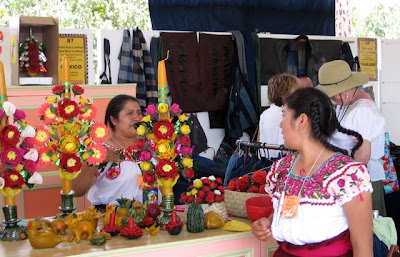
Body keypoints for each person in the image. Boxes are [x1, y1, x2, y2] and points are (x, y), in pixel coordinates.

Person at [252, 87, 373, 257]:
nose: (280, 124)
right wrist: (269, 222)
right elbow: (293, 212)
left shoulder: (348, 175)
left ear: (301, 121)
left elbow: (364, 250)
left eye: (284, 116)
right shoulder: (282, 169)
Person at [316, 60, 387, 217]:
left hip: (361, 183)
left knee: (366, 232)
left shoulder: (362, 111)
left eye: (333, 92)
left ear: (345, 88)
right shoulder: (346, 104)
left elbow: (362, 159)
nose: (332, 98)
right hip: (351, 181)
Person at [72, 94, 144, 211]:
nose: (137, 118)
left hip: (149, 217)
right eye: (130, 113)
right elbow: (76, 190)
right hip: (110, 219)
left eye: (139, 113)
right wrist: (95, 161)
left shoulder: (151, 146)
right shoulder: (100, 151)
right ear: (114, 120)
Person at [258, 73, 299, 159]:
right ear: (283, 95)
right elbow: (285, 145)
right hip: (280, 161)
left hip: (265, 159)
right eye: (295, 92)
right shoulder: (285, 114)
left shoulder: (265, 113)